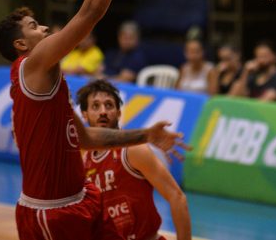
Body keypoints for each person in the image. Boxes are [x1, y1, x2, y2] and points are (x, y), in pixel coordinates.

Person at [0, 0, 189, 240]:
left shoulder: (49, 87)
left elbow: (84, 139)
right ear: (21, 45)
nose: (44, 28)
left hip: (82, 199)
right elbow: (91, 12)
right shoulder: (32, 64)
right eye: (34, 26)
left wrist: (146, 136)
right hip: (51, 214)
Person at [77, 79, 191, 240]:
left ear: (118, 113)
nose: (103, 111)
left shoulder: (133, 150)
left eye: (109, 105)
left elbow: (177, 197)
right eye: (95, 106)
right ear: (84, 114)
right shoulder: (82, 159)